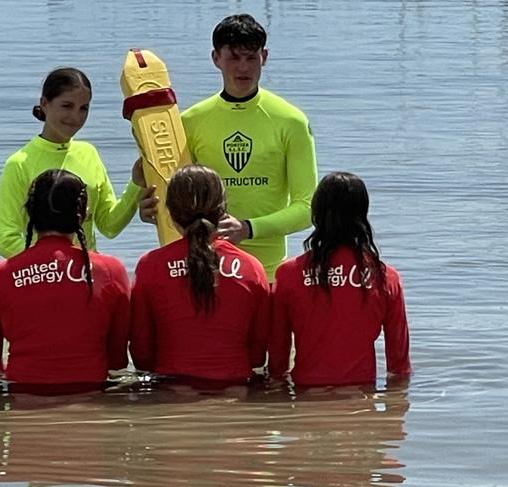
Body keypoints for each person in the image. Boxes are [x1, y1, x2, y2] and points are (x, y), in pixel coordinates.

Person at [139, 14, 318, 280]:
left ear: (264, 57)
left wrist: (248, 228)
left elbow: (308, 208)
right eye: (234, 57)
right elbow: (171, 195)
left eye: (251, 58)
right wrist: (150, 207)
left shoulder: (290, 121)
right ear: (216, 58)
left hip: (267, 273)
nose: (243, 68)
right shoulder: (189, 122)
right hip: (204, 270)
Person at [0, 169, 130, 387]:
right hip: (93, 402)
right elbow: (117, 360)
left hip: (23, 399)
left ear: (29, 213)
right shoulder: (111, 271)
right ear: (83, 213)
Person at [269, 172, 412, 386]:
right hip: (361, 396)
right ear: (362, 214)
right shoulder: (385, 278)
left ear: (317, 213)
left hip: (306, 396)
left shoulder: (289, 274)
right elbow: (399, 364)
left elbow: (278, 357)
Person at [129, 165, 271, 382]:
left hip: (172, 389)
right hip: (237, 388)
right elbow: (258, 354)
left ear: (171, 212)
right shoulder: (251, 267)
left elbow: (141, 352)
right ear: (222, 211)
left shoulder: (151, 265)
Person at [0, 66, 151, 258]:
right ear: (44, 104)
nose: (76, 117)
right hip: (44, 279)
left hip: (88, 276)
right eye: (67, 106)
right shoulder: (19, 164)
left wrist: (136, 184)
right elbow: (6, 239)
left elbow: (109, 225)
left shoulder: (88, 153)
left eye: (83, 108)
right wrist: (57, 265)